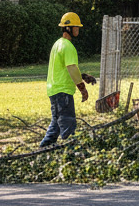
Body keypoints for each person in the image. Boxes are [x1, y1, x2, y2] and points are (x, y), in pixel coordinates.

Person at [39, 12, 96, 148]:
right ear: (68, 28)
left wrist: (83, 76)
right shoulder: (68, 46)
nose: (78, 29)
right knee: (68, 124)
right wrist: (83, 89)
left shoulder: (57, 44)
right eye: (76, 27)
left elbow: (64, 69)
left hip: (54, 90)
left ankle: (43, 149)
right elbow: (71, 68)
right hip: (63, 92)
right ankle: (70, 151)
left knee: (57, 124)